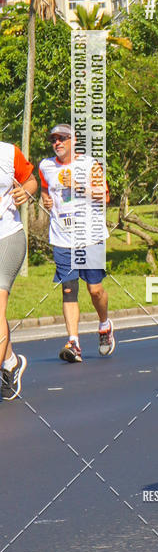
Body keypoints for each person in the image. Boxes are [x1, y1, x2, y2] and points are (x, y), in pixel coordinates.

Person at [39, 125, 115, 363]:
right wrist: (46, 200)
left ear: (74, 141)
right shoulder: (45, 166)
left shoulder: (89, 164)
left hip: (89, 236)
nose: (57, 143)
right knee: (69, 289)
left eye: (62, 138)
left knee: (95, 290)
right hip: (61, 237)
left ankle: (104, 325)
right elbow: (44, 189)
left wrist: (79, 187)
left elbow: (105, 196)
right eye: (53, 139)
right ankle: (74, 342)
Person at [0, 142, 37, 401]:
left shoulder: (7, 152)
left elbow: (30, 180)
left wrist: (25, 191)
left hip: (7, 237)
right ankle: (10, 361)